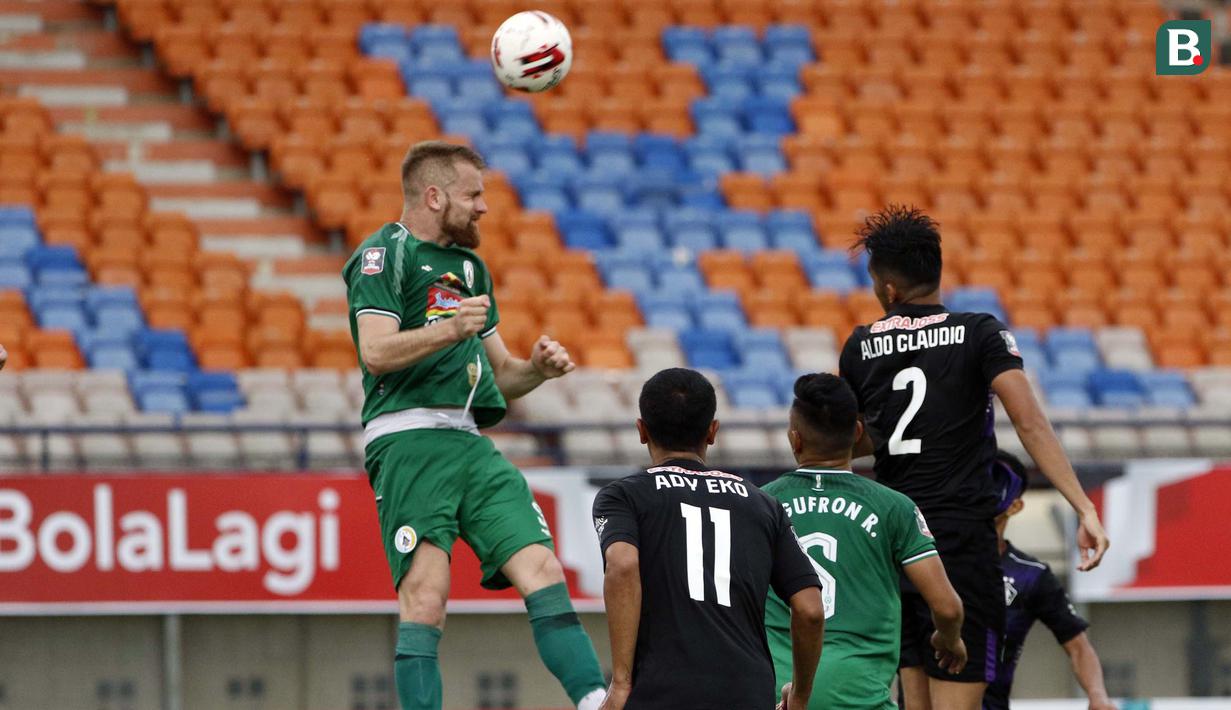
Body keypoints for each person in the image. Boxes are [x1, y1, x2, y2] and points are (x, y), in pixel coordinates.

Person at [343, 140, 606, 710]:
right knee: (426, 597)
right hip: (408, 438)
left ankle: (594, 702)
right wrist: (450, 329)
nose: (484, 207)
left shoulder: (470, 267)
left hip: (470, 441)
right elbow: (376, 353)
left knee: (541, 565)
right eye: (474, 194)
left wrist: (535, 370)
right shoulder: (384, 253)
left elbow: (501, 376)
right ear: (434, 196)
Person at [837, 205, 1110, 710]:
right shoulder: (979, 332)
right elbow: (1029, 422)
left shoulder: (858, 346)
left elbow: (855, 440)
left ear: (889, 290)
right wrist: (1083, 508)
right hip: (959, 543)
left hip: (892, 545)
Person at [592, 368, 826, 710]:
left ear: (641, 430)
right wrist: (801, 694)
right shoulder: (763, 505)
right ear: (713, 431)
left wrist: (622, 682)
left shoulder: (623, 497)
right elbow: (810, 610)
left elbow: (623, 565)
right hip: (747, 693)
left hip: (660, 693)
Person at [763, 373, 967, 710]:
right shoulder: (894, 507)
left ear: (794, 439)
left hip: (777, 692)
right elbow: (947, 607)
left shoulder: (761, 503)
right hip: (858, 696)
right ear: (858, 434)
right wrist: (949, 639)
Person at [985, 452, 1115, 710]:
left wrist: (1097, 695)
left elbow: (1078, 646)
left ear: (1015, 506)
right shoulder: (930, 558)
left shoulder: (1031, 575)